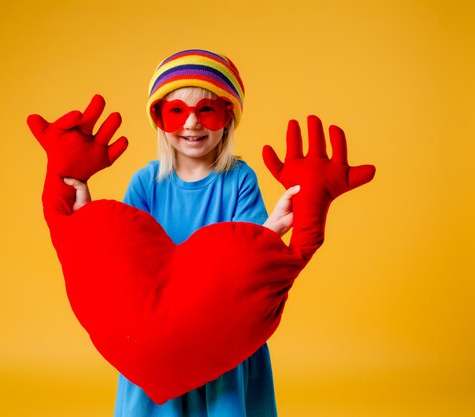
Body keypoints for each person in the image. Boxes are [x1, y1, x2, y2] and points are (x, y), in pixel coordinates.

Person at [62, 49, 300, 417]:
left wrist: (274, 228)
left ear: (228, 118)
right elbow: (121, 257)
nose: (192, 124)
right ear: (159, 119)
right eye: (176, 112)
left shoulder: (239, 180)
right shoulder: (146, 182)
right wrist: (85, 211)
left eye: (207, 110)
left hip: (221, 333)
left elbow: (251, 258)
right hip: (158, 334)